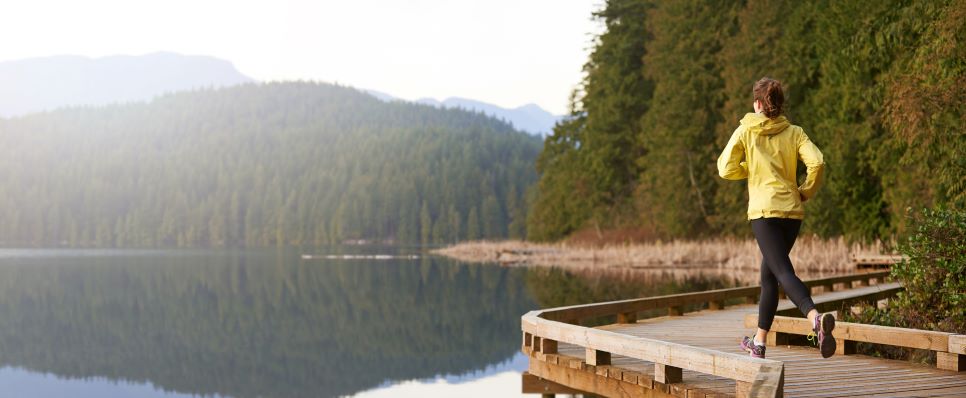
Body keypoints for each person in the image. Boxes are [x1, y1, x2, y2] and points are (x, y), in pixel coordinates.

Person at [716, 77, 835, 359]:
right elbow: (817, 162)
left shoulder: (746, 130)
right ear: (779, 104)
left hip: (764, 213)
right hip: (792, 212)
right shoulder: (794, 132)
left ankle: (815, 318)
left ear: (757, 103)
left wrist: (751, 169)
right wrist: (805, 191)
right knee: (769, 275)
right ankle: (759, 343)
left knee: (782, 272)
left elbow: (725, 167)